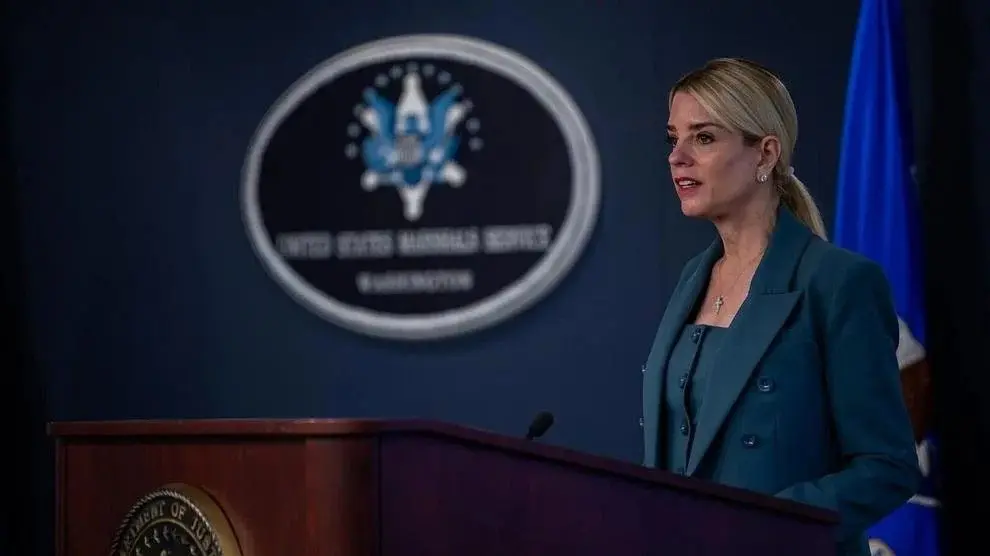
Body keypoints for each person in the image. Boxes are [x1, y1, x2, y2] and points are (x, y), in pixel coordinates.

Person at [640, 58, 920, 556]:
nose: (677, 157)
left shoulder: (838, 282)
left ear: (765, 153)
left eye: (703, 138)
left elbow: (887, 467)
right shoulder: (692, 279)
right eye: (672, 139)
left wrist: (767, 525)